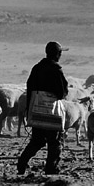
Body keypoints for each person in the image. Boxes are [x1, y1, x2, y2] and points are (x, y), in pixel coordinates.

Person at [17, 41, 70, 175]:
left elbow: (29, 88)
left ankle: (22, 162)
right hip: (51, 112)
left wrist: (29, 110)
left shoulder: (37, 68)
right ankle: (51, 169)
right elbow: (62, 92)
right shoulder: (56, 70)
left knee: (37, 140)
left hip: (36, 110)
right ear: (58, 54)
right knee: (55, 142)